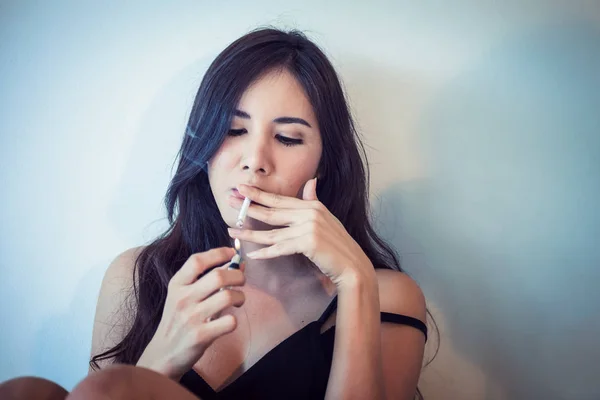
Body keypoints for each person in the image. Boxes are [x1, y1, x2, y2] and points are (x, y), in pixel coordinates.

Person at [0, 27, 429, 400]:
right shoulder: (137, 275)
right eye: (233, 130)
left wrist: (354, 280)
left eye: (287, 138)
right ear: (203, 146)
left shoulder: (386, 294)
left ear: (324, 162)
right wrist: (158, 361)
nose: (254, 160)